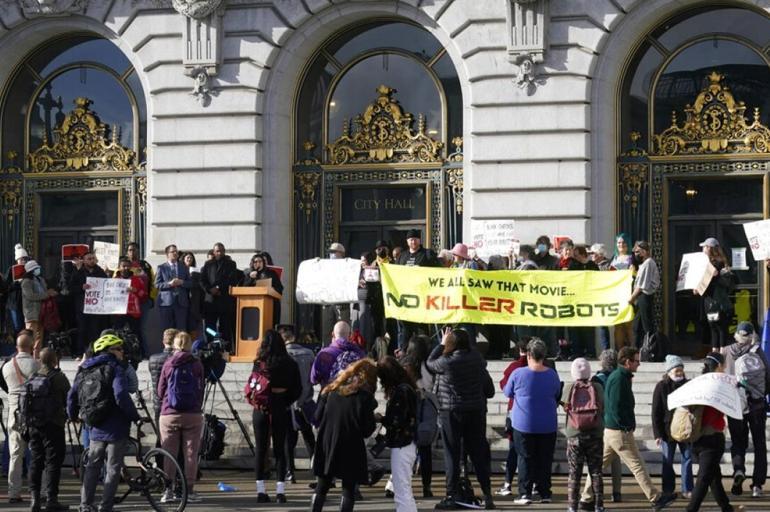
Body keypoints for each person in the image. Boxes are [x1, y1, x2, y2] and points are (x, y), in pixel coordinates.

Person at [579, 347, 676, 511]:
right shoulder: (619, 379)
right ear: (627, 362)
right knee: (637, 465)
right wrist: (625, 426)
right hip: (618, 431)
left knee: (598, 466)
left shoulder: (620, 376)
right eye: (636, 360)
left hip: (611, 431)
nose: (639, 364)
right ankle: (655, 498)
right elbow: (615, 406)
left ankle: (586, 499)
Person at [68, 333, 140, 512]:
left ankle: (85, 505)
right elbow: (121, 396)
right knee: (113, 467)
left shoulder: (84, 368)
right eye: (119, 349)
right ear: (110, 351)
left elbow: (72, 395)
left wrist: (73, 415)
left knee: (92, 466)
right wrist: (134, 416)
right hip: (116, 426)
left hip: (94, 424)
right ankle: (106, 506)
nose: (122, 352)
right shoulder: (116, 368)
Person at [427, 327, 495, 510]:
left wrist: (441, 344)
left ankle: (451, 494)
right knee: (478, 453)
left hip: (451, 411)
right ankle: (487, 493)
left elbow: (429, 363)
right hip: (476, 411)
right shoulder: (478, 361)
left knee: (452, 453)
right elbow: (490, 391)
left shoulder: (446, 362)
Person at [310, 359, 378, 512]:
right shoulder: (365, 398)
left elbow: (317, 416)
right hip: (351, 444)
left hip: (328, 441)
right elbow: (367, 430)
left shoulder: (332, 390)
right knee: (348, 488)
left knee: (322, 485)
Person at [503, 338, 561, 505]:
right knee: (545, 458)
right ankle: (545, 492)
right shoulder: (551, 374)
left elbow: (508, 392)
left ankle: (524, 493)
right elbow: (557, 392)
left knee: (524, 458)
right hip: (548, 424)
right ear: (544, 355)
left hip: (523, 423)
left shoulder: (518, 374)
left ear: (529, 355)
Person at [686, 353, 743, 512]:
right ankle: (691, 510)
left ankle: (726, 508)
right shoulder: (721, 384)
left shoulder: (698, 383)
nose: (725, 368)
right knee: (705, 478)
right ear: (719, 366)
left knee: (714, 478)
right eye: (724, 365)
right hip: (712, 437)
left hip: (696, 436)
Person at [250, 330, 301, 503]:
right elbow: (298, 389)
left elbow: (253, 385)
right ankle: (280, 491)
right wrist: (285, 400)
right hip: (280, 407)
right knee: (280, 449)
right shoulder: (290, 363)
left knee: (260, 450)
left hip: (261, 408)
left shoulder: (259, 362)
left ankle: (261, 491)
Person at [157, 331, 205, 503]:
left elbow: (160, 390)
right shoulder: (197, 363)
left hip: (169, 413)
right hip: (192, 414)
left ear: (175, 345)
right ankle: (189, 491)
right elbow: (201, 389)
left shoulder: (168, 363)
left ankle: (168, 490)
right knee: (191, 453)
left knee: (169, 453)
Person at [722, 322, 769, 498]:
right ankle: (757, 484)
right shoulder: (757, 351)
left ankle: (739, 469)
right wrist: (763, 395)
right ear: (751, 335)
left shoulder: (726, 351)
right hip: (756, 404)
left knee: (737, 442)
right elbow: (768, 374)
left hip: (735, 405)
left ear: (736, 335)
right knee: (759, 444)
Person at [27, 348, 71, 512]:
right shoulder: (58, 377)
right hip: (54, 424)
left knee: (36, 461)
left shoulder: (33, 377)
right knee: (53, 462)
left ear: (40, 360)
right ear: (54, 360)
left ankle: (34, 499)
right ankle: (52, 499)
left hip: (35, 424)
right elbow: (69, 396)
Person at [376, 356, 419, 512]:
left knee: (402, 489)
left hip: (402, 443)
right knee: (403, 488)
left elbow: (397, 420)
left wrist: (382, 419)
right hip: (408, 442)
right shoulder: (408, 387)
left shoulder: (400, 392)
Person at [3, 331, 40, 503]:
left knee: (15, 454)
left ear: (16, 346)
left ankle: (13, 492)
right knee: (37, 453)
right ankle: (37, 491)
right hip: (33, 413)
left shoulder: (7, 366)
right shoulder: (36, 365)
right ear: (32, 346)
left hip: (14, 411)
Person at [564, 358, 604, 512]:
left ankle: (572, 506)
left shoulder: (569, 388)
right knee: (596, 472)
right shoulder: (598, 387)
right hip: (595, 434)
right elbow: (603, 406)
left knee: (574, 473)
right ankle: (599, 505)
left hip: (574, 435)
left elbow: (564, 407)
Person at [651, 355, 693, 499]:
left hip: (685, 429)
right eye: (676, 370)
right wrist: (657, 434)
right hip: (667, 431)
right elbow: (656, 412)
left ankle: (687, 489)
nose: (679, 373)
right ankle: (668, 489)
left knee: (687, 458)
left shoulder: (689, 384)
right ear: (669, 371)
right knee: (667, 460)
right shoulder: (661, 386)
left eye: (681, 370)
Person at [398, 334, 435, 498]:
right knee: (425, 450)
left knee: (403, 450)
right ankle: (426, 486)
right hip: (426, 408)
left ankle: (399, 485)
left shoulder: (403, 365)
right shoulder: (429, 365)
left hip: (407, 408)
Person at [280, 324, 316, 483]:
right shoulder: (308, 354)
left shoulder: (282, 356)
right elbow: (314, 379)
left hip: (288, 402)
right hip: (306, 400)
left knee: (289, 439)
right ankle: (316, 468)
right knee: (309, 437)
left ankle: (290, 471)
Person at [396, 229, 439, 351]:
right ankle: (404, 354)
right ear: (407, 241)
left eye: (415, 239)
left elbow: (438, 271)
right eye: (410, 239)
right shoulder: (402, 256)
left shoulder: (427, 254)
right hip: (405, 299)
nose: (413, 241)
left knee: (422, 329)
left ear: (420, 240)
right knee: (406, 329)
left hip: (422, 298)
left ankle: (424, 354)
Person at [497, 339, 529, 497]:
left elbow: (503, 386)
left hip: (514, 410)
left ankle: (508, 484)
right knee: (532, 452)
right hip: (533, 413)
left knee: (514, 450)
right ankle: (534, 485)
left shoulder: (513, 367)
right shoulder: (541, 367)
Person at [591, 349, 623, 502]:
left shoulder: (596, 379)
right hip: (616, 423)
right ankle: (617, 492)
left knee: (600, 459)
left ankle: (596, 492)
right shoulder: (620, 377)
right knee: (615, 459)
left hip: (601, 422)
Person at [694, 238, 736, 351]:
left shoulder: (718, 263)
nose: (702, 249)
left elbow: (712, 279)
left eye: (704, 247)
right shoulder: (709, 263)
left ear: (709, 248)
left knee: (720, 327)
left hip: (718, 301)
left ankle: (721, 353)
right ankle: (715, 352)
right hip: (710, 300)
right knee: (713, 327)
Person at [68, 252, 108, 358]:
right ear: (84, 260)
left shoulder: (100, 271)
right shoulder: (78, 273)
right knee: (82, 329)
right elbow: (71, 288)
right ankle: (80, 353)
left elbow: (107, 284)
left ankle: (94, 351)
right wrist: (81, 287)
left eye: (93, 258)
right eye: (89, 259)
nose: (91, 260)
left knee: (95, 330)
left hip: (96, 307)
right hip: (82, 307)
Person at [200, 243, 240, 343]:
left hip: (224, 300)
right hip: (210, 301)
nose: (220, 253)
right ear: (214, 252)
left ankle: (224, 348)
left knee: (225, 326)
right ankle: (211, 345)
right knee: (209, 327)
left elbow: (231, 280)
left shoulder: (231, 264)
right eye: (217, 251)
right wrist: (210, 289)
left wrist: (218, 288)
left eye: (222, 251)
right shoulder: (208, 264)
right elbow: (202, 280)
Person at [310, 321, 366, 389]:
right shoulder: (360, 354)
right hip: (354, 396)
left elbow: (313, 379)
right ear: (350, 335)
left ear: (333, 334)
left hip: (329, 396)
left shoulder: (323, 354)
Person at [567, 246, 599, 359]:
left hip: (588, 301)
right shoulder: (573, 265)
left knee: (588, 328)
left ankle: (590, 351)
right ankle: (577, 352)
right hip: (575, 300)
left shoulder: (593, 266)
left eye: (576, 255)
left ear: (582, 254)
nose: (574, 257)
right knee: (575, 328)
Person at [20, 259, 57, 357]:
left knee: (39, 336)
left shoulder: (40, 279)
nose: (38, 270)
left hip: (42, 312)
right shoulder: (26, 282)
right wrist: (47, 294)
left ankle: (36, 357)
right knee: (30, 336)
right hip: (31, 313)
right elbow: (30, 296)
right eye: (36, 268)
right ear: (31, 270)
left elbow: (44, 291)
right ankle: (28, 356)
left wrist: (49, 292)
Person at [125, 242, 155, 357]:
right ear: (127, 252)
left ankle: (143, 352)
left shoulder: (145, 265)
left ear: (138, 251)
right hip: (126, 303)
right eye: (130, 250)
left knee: (142, 328)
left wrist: (152, 297)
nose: (132, 252)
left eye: (135, 250)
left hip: (143, 302)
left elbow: (153, 282)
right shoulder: (122, 265)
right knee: (128, 328)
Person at [628, 241, 659, 348]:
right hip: (641, 298)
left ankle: (651, 349)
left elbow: (641, 285)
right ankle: (636, 349)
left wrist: (631, 298)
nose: (636, 254)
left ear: (645, 252)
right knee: (637, 326)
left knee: (647, 325)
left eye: (638, 252)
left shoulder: (648, 263)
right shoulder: (644, 264)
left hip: (645, 296)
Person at [155, 244, 192, 332]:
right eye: (172, 252)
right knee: (168, 330)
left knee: (181, 329)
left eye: (176, 251)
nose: (175, 253)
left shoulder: (183, 267)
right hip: (166, 303)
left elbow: (191, 283)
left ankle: (180, 346)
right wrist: (169, 284)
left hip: (181, 303)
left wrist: (182, 282)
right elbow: (157, 284)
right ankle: (168, 346)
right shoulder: (161, 268)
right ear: (167, 254)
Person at [242, 253, 283, 329]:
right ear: (252, 263)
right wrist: (250, 278)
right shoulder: (248, 275)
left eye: (260, 261)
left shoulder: (271, 273)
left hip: (271, 305)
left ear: (263, 263)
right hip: (253, 306)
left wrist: (272, 289)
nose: (258, 263)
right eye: (255, 262)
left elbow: (280, 288)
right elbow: (243, 289)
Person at [321, 242, 352, 343]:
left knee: (341, 329)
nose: (332, 254)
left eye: (334, 252)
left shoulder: (348, 266)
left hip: (341, 303)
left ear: (342, 253)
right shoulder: (325, 267)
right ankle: (326, 350)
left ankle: (342, 349)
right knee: (327, 330)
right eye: (330, 252)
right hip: (328, 302)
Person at [149, 328, 178, 427]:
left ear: (163, 342)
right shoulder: (180, 359)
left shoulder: (153, 359)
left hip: (159, 404)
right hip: (176, 403)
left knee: (161, 438)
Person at [112, 257, 147, 338]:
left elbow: (145, 295)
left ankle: (137, 350)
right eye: (123, 266)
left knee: (135, 334)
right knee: (118, 333)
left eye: (128, 266)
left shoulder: (138, 280)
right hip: (118, 313)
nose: (126, 268)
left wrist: (136, 291)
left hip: (134, 313)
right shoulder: (114, 280)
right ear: (119, 268)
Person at [611, 233, 635, 348]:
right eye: (619, 242)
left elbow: (635, 275)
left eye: (624, 242)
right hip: (615, 295)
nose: (621, 245)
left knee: (628, 324)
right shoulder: (613, 258)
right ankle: (619, 351)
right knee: (617, 324)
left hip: (628, 294)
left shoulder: (632, 258)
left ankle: (632, 350)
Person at [590, 244, 613, 351]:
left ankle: (606, 350)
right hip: (592, 298)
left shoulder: (608, 266)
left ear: (600, 254)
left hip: (604, 299)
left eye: (593, 253)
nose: (591, 256)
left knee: (603, 325)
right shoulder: (590, 265)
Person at [5, 244, 31, 336]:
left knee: (26, 327)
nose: (23, 261)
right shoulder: (11, 270)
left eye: (25, 259)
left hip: (27, 303)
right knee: (17, 327)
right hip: (15, 303)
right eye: (21, 259)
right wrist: (17, 283)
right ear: (17, 260)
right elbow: (6, 287)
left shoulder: (29, 269)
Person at [181, 252, 204, 337]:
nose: (189, 259)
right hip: (182, 300)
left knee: (193, 325)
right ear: (183, 259)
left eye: (191, 258)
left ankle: (193, 346)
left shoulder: (196, 271)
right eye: (187, 258)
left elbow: (199, 286)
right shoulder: (180, 270)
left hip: (194, 302)